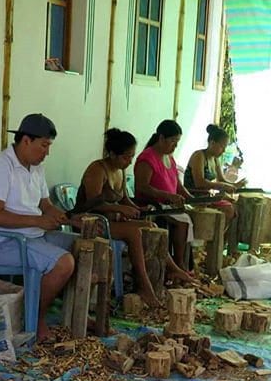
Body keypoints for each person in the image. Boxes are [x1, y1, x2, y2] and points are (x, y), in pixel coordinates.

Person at [0, 113, 76, 342]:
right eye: (44, 145)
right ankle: (36, 319)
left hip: (33, 236)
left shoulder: (37, 168)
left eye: (49, 146)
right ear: (26, 141)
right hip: (5, 243)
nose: (47, 152)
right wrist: (38, 221)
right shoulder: (0, 166)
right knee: (64, 263)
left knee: (83, 245)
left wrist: (69, 219)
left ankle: (75, 314)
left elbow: (45, 205)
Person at [74, 128, 194, 307]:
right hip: (91, 222)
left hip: (111, 220)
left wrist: (137, 209)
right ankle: (144, 285)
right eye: (126, 157)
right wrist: (120, 209)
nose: (129, 162)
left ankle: (173, 270)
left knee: (150, 227)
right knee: (134, 233)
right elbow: (92, 204)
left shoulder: (119, 171)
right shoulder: (97, 169)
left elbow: (124, 198)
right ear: (112, 154)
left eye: (131, 156)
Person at [134, 120, 194, 268]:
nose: (175, 146)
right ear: (161, 138)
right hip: (151, 205)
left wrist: (191, 198)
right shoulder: (147, 158)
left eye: (177, 142)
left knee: (189, 217)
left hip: (168, 205)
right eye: (173, 141)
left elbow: (177, 184)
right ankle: (177, 264)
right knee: (182, 222)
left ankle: (186, 264)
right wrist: (167, 196)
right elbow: (142, 187)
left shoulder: (169, 157)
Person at [183, 123, 246, 226]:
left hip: (206, 196)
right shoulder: (199, 156)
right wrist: (223, 186)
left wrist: (235, 185)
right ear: (212, 143)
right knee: (228, 209)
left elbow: (221, 179)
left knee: (236, 204)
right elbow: (199, 182)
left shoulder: (215, 159)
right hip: (193, 196)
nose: (224, 150)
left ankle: (222, 237)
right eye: (222, 147)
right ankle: (216, 238)